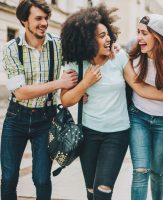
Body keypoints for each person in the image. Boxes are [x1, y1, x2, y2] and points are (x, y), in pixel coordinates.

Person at [60, 4, 163, 200]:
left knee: (103, 191)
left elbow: (138, 86)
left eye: (107, 34)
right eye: (101, 36)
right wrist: (85, 83)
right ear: (86, 40)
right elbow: (66, 100)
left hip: (117, 134)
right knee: (91, 192)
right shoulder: (77, 63)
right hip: (88, 133)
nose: (108, 38)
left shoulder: (118, 57)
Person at [1, 0, 77, 199]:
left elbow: (79, 64)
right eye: (38, 18)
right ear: (24, 20)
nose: (44, 23)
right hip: (16, 116)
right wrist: (59, 83)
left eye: (46, 18)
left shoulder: (58, 45)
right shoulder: (10, 48)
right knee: (9, 178)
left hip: (47, 118)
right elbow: (20, 92)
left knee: (42, 178)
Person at [128, 14, 163, 200]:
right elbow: (136, 86)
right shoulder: (132, 50)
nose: (139, 37)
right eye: (138, 32)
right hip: (138, 117)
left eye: (144, 33)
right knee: (140, 171)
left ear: (158, 37)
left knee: (157, 172)